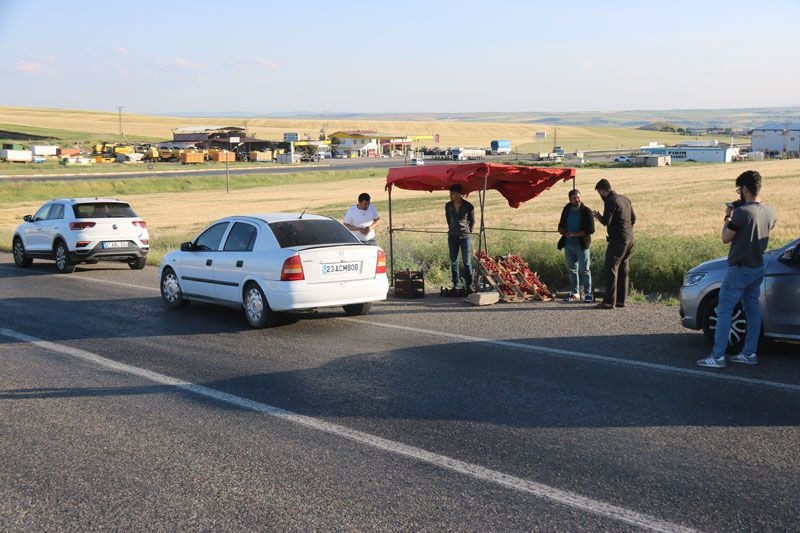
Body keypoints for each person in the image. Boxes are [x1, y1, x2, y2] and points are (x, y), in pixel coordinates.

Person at [697, 170, 777, 368]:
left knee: (724, 310)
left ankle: (717, 357)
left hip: (739, 269)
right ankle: (749, 353)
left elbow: (725, 238)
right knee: (752, 312)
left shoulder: (741, 213)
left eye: (740, 189)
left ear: (746, 189)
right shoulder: (770, 212)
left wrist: (727, 216)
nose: (739, 192)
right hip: (757, 267)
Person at [592, 179, 636, 309]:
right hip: (629, 239)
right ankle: (621, 300)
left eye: (599, 193)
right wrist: (626, 231)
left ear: (602, 191)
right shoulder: (625, 199)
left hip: (617, 240)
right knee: (623, 269)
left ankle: (609, 302)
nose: (600, 196)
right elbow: (633, 218)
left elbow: (606, 221)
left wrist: (598, 216)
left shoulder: (610, 201)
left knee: (611, 268)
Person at [558, 189, 595, 301]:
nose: (577, 200)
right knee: (572, 270)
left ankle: (588, 294)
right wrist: (562, 231)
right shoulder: (566, 209)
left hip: (581, 245)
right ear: (570, 199)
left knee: (585, 270)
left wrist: (575, 234)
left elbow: (591, 230)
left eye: (578, 197)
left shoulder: (586, 211)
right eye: (574, 198)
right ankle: (575, 294)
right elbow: (560, 226)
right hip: (568, 245)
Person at [445, 184, 475, 290]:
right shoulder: (448, 206)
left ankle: (469, 285)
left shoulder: (468, 206)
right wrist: (453, 229)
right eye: (450, 193)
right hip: (452, 236)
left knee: (467, 262)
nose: (451, 195)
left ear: (458, 194)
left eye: (452, 193)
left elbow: (472, 221)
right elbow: (448, 220)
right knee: (454, 262)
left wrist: (467, 232)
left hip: (465, 237)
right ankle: (456, 285)